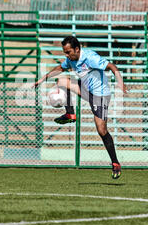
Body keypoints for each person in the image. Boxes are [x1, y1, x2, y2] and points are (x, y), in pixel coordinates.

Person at [34, 36, 128, 179]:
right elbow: (60, 68)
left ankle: (115, 162)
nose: (66, 55)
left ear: (77, 49)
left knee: (101, 130)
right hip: (86, 90)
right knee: (61, 80)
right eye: (65, 52)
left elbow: (111, 67)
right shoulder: (71, 59)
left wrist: (120, 82)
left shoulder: (90, 57)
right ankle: (70, 114)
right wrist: (43, 79)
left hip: (100, 95)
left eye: (68, 52)